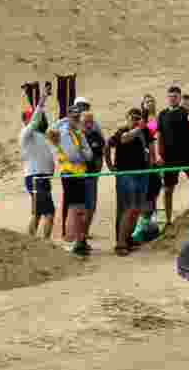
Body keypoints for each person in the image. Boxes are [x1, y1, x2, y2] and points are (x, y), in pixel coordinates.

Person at [156, 86, 189, 231]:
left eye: (175, 96)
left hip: (186, 154)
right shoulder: (162, 114)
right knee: (168, 189)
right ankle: (168, 220)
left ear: (179, 97)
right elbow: (159, 135)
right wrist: (159, 155)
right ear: (168, 98)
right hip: (169, 156)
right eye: (170, 96)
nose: (173, 98)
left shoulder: (184, 111)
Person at [105, 108, 151, 256]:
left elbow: (150, 147)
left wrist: (150, 165)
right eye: (133, 118)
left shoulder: (144, 132)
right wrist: (110, 165)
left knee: (137, 208)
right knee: (127, 208)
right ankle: (120, 243)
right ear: (127, 118)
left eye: (138, 118)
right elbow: (113, 143)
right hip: (126, 174)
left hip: (142, 173)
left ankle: (128, 238)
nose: (136, 120)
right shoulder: (122, 131)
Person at [48, 104, 93, 255]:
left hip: (79, 174)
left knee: (80, 209)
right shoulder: (64, 132)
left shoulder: (77, 133)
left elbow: (89, 155)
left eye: (78, 117)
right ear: (69, 118)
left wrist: (81, 152)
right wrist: (81, 153)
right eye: (74, 117)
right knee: (74, 209)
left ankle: (78, 240)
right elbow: (74, 156)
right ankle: (70, 240)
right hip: (70, 174)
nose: (77, 120)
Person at [20, 85, 54, 240]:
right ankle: (45, 243)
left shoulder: (39, 135)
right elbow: (35, 119)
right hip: (36, 178)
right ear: (27, 120)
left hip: (42, 178)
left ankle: (30, 242)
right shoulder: (26, 133)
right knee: (49, 213)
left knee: (38, 212)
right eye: (32, 117)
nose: (38, 119)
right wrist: (43, 98)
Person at [75, 97, 105, 237]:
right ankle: (77, 234)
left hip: (93, 174)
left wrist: (100, 167)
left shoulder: (95, 130)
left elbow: (102, 149)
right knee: (79, 207)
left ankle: (84, 233)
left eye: (85, 106)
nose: (83, 108)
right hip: (79, 175)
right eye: (81, 106)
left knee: (91, 206)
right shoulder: (73, 132)